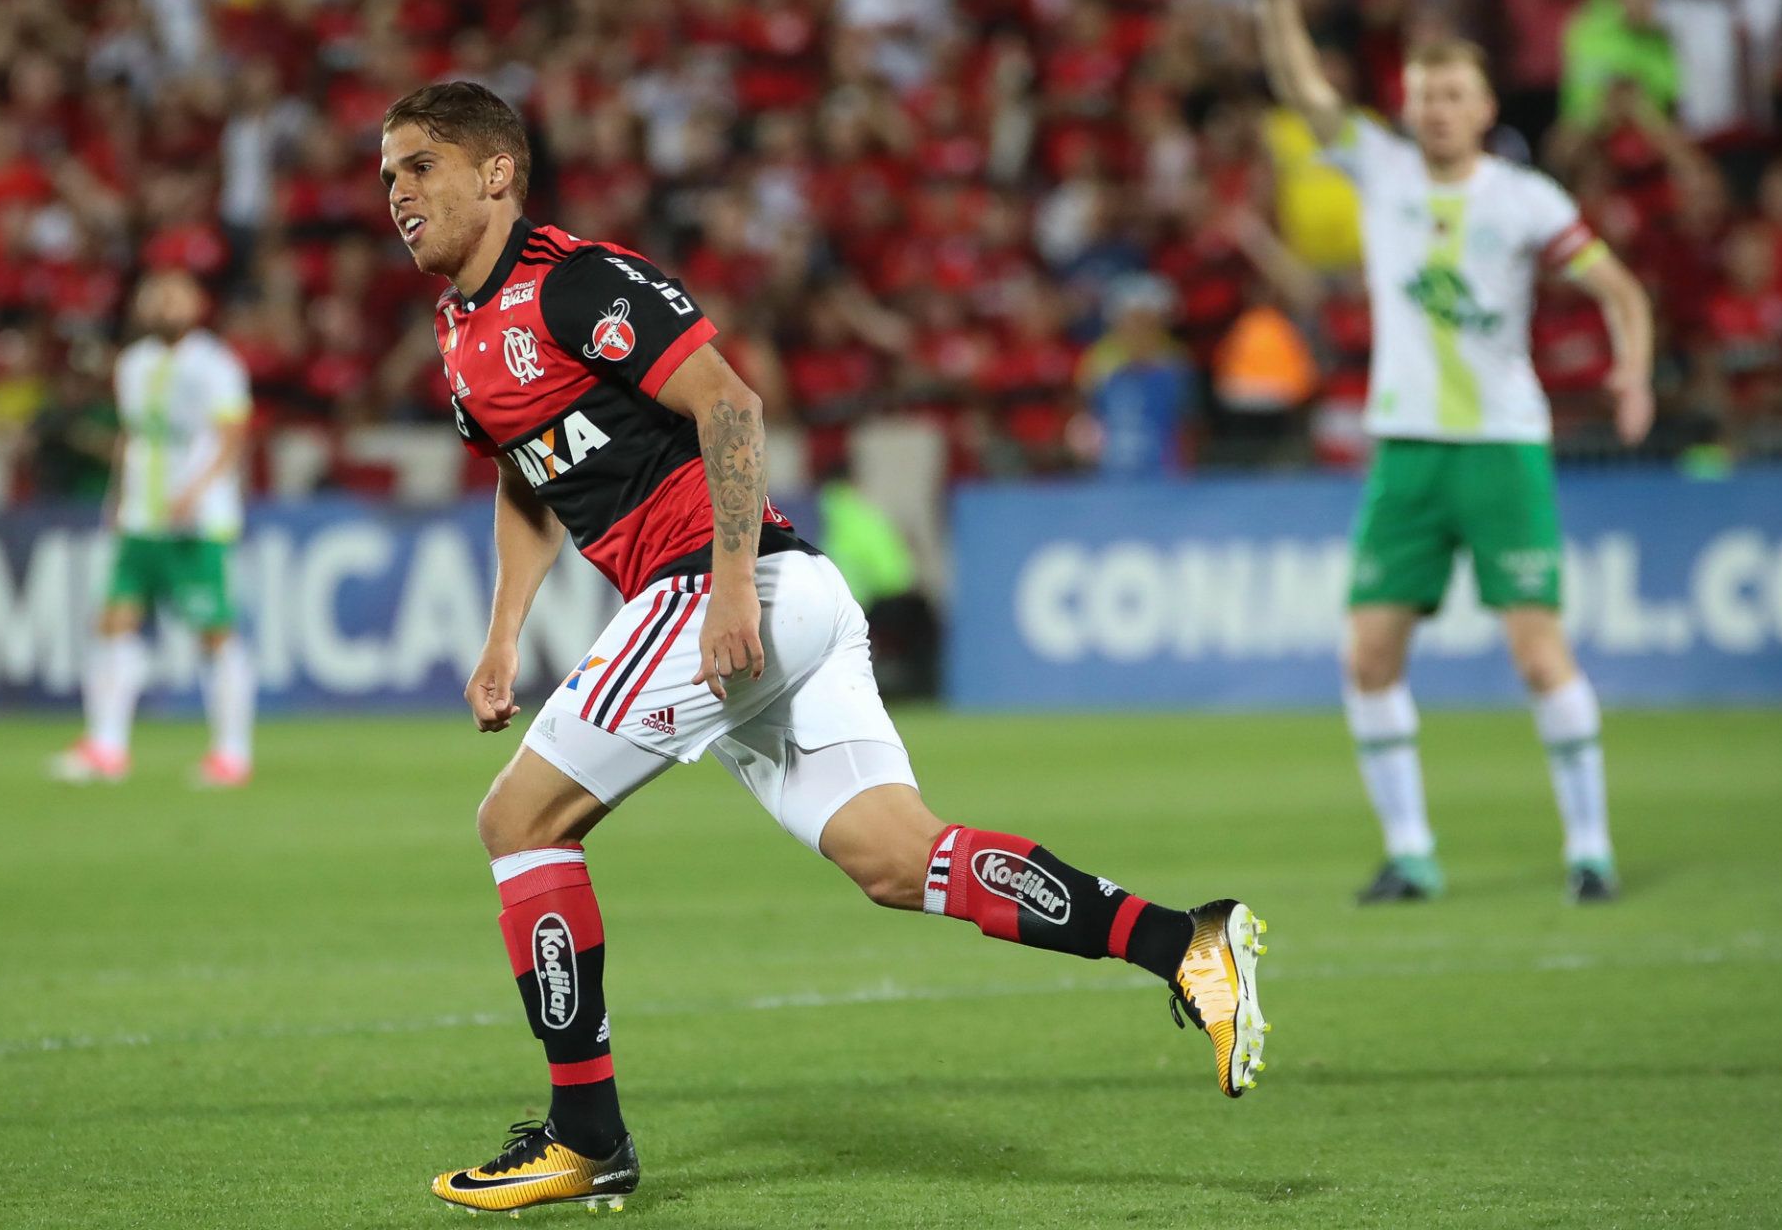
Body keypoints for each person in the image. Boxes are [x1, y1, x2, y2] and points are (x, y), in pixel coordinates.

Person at [378, 81, 1270, 1217]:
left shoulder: (579, 280)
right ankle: (1185, 943)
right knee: (899, 859)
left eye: (420, 165)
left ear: (497, 172)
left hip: (726, 589)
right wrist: (503, 635)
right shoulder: (458, 334)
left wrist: (729, 588)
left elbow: (731, 407)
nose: (397, 192)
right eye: (388, 174)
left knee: (518, 822)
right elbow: (527, 477)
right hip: (777, 605)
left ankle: (586, 1136)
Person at [1242, 0, 1658, 903]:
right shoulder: (1380, 167)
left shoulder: (1525, 199)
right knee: (1367, 655)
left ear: (1484, 107)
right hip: (1408, 452)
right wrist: (1278, 5)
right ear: (1408, 103)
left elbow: (1621, 290)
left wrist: (1633, 373)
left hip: (1502, 450)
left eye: (1453, 95)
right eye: (1424, 94)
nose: (1435, 110)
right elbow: (1304, 91)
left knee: (1538, 655)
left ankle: (1591, 852)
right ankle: (1411, 854)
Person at [50, 270, 255, 788]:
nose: (164, 304)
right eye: (155, 295)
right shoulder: (133, 363)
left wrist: (196, 492)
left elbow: (232, 436)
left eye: (175, 295)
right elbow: (133, 436)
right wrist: (118, 498)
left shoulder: (216, 364)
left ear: (197, 303)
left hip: (196, 523)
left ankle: (232, 753)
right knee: (113, 622)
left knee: (213, 632)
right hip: (142, 518)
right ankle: (107, 746)